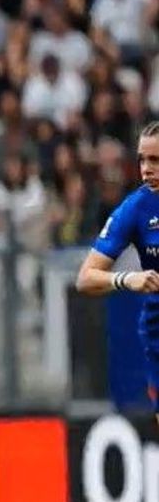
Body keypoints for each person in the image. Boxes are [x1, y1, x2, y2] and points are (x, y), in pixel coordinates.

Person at [77, 121, 159, 413]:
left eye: (155, 160)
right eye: (142, 160)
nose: (146, 169)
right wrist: (128, 279)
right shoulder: (135, 209)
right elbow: (86, 277)